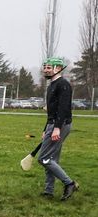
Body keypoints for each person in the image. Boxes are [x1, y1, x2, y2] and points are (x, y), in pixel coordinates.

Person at [39, 57, 78, 201]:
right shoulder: (51, 85)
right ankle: (48, 190)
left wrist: (56, 129)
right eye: (45, 67)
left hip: (60, 125)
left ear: (57, 68)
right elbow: (52, 111)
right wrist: (46, 129)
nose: (45, 70)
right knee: (51, 158)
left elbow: (63, 109)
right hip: (53, 124)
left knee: (43, 158)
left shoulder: (63, 85)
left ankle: (69, 183)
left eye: (49, 67)